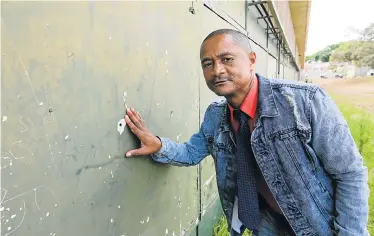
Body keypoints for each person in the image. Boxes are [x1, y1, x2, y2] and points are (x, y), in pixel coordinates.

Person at [124, 29, 369, 236]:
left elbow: (349, 174)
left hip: (319, 225)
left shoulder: (304, 102)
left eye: (227, 59)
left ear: (251, 60)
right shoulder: (216, 115)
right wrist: (158, 145)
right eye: (207, 64)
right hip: (266, 224)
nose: (217, 70)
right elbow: (192, 152)